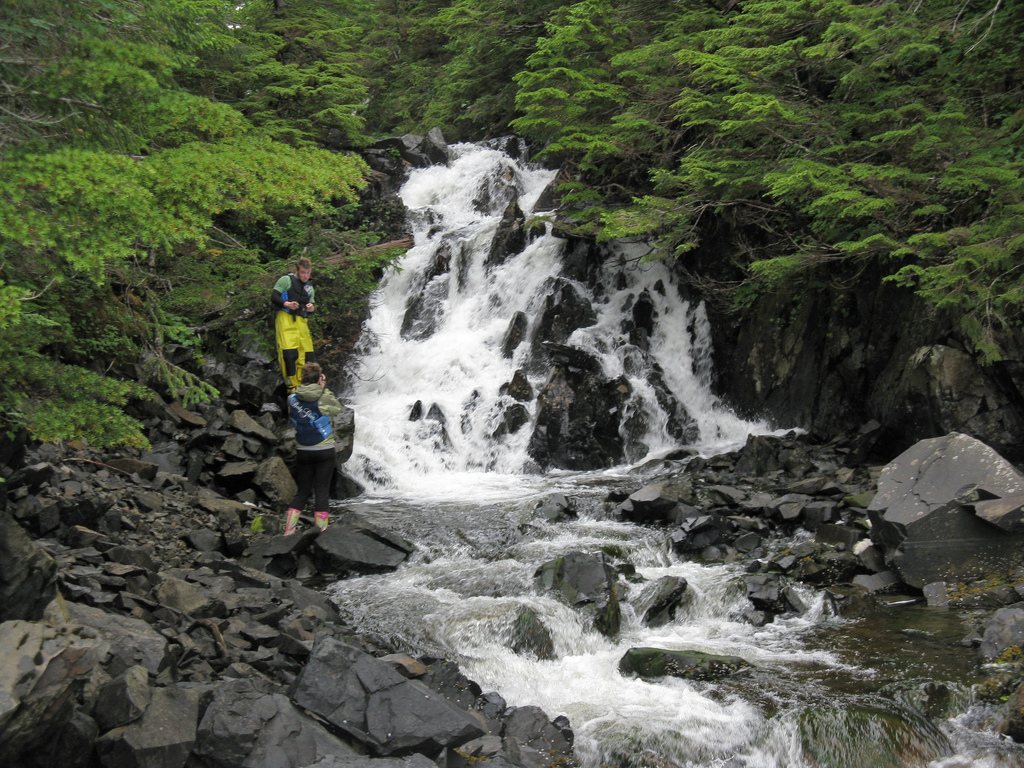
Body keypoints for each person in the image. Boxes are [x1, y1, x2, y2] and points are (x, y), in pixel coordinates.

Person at [283, 362, 342, 534]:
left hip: (303, 450)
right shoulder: (323, 396)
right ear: (319, 379)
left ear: (302, 378)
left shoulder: (292, 399)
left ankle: (288, 530)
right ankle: (321, 531)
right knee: (322, 491)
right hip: (324, 450)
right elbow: (336, 409)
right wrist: (324, 388)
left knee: (302, 491)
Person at [272, 257, 317, 390]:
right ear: (297, 270)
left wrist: (311, 308)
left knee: (308, 354)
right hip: (285, 317)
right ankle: (292, 385)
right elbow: (274, 296)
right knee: (289, 354)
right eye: (303, 272)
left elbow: (312, 305)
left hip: (301, 321)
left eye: (308, 273)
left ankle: (307, 384)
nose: (305, 276)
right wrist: (287, 304)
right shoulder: (286, 280)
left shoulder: (309, 287)